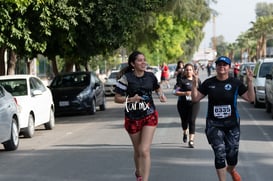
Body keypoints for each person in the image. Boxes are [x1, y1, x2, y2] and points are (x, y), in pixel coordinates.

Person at [191, 56, 254, 181]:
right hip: (214, 124)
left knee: (232, 155)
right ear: (216, 67)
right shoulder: (209, 83)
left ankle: (231, 169)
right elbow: (195, 98)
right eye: (219, 64)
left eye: (224, 65)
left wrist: (250, 82)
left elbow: (250, 98)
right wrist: (194, 84)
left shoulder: (235, 83)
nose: (221, 67)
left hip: (232, 124)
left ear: (229, 67)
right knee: (220, 153)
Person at [114, 51, 167, 181]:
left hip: (149, 114)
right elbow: (117, 98)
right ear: (133, 63)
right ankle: (138, 171)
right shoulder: (126, 78)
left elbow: (157, 87)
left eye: (144, 60)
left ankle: (145, 179)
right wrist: (131, 99)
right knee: (138, 150)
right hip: (132, 117)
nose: (143, 63)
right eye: (139, 60)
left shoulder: (151, 76)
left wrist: (161, 95)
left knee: (144, 150)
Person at [173, 63, 200, 148]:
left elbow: (202, 91)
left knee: (192, 120)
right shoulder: (181, 81)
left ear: (193, 71)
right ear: (184, 71)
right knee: (184, 121)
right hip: (182, 104)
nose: (189, 71)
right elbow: (174, 92)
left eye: (190, 70)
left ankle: (191, 140)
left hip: (194, 103)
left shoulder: (197, 80)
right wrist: (185, 93)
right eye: (187, 70)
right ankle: (185, 132)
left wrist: (196, 95)